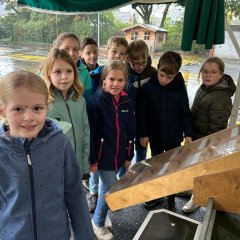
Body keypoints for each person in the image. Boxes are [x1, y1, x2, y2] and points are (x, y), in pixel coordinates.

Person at [0, 70, 94, 240]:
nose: (28, 117)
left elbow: (75, 195)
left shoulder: (60, 144)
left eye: (37, 108)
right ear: (3, 111)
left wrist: (86, 236)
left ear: (46, 107)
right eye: (18, 109)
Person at [138, 51, 193, 209]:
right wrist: (143, 133)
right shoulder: (148, 88)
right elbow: (141, 113)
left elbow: (184, 110)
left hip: (173, 136)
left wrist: (188, 133)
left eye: (170, 77)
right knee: (156, 166)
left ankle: (171, 196)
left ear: (176, 74)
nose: (164, 80)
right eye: (162, 75)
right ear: (158, 68)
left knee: (173, 168)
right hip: (155, 137)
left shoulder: (179, 88)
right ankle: (156, 194)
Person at [87, 60, 135, 240]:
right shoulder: (95, 102)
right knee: (110, 188)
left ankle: (102, 213)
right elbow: (90, 133)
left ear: (126, 81)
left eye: (120, 80)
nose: (115, 84)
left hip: (118, 155)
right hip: (102, 156)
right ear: (104, 80)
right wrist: (92, 159)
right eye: (111, 79)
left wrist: (129, 154)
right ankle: (97, 222)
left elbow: (131, 129)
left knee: (105, 187)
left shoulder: (127, 101)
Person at [182, 56, 236, 213]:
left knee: (203, 171)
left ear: (221, 74)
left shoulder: (221, 97)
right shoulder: (205, 87)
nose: (208, 75)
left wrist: (207, 147)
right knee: (195, 169)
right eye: (205, 71)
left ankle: (198, 198)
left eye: (213, 72)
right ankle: (194, 190)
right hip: (197, 137)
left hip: (207, 142)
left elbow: (217, 128)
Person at [87, 36, 129, 213]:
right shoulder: (96, 75)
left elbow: (126, 121)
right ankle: (94, 193)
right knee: (95, 171)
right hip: (98, 133)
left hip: (113, 138)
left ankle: (101, 212)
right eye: (114, 52)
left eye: (121, 54)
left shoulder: (124, 84)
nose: (117, 56)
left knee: (104, 174)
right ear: (106, 52)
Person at [42, 48, 90, 179]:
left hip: (76, 167)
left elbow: (85, 133)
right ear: (48, 74)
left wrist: (85, 166)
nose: (64, 77)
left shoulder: (80, 100)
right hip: (54, 171)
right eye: (57, 72)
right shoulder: (44, 104)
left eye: (69, 71)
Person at [125, 39, 157, 163]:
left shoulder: (153, 73)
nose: (140, 67)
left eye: (143, 63)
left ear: (147, 57)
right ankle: (123, 175)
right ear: (128, 59)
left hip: (145, 120)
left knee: (142, 150)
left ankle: (140, 171)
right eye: (136, 63)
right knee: (125, 150)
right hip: (128, 119)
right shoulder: (124, 72)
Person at [52, 32, 93, 101]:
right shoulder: (48, 70)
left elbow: (88, 100)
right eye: (66, 49)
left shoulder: (85, 73)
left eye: (75, 49)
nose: (71, 53)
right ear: (57, 50)